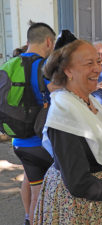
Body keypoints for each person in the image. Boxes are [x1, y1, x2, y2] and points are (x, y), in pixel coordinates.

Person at [33, 40, 102, 224]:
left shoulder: (86, 101)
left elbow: (94, 145)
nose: (98, 69)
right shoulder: (64, 112)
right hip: (78, 205)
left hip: (97, 197)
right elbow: (77, 182)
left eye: (98, 61)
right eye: (89, 63)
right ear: (68, 71)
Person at [10, 21, 55, 225]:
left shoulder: (9, 65)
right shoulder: (44, 67)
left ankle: (29, 218)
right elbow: (62, 98)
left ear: (28, 41)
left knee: (29, 179)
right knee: (41, 195)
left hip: (17, 140)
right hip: (39, 143)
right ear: (48, 41)